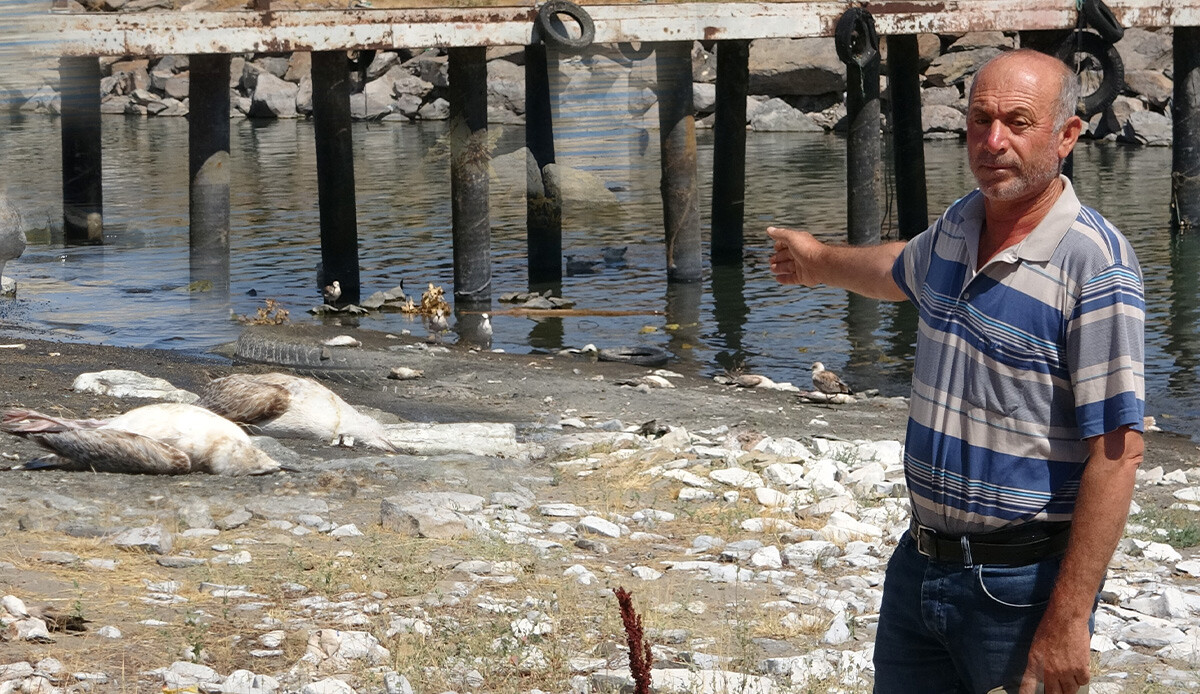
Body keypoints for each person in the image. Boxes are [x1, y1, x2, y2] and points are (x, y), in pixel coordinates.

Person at [768, 48, 1145, 694]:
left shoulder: (1096, 266)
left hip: (1018, 592)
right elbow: (898, 270)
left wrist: (1069, 619)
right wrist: (819, 262)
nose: (993, 141)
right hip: (920, 567)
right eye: (980, 120)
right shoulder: (957, 227)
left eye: (1017, 123)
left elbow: (1117, 454)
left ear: (1067, 135)